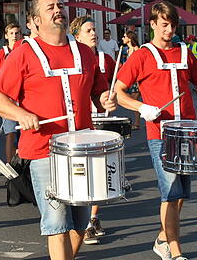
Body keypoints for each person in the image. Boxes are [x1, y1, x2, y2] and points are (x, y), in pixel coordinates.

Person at [0, 0, 116, 260]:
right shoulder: (23, 54)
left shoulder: (84, 52)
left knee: (80, 224)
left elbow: (98, 91)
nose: (58, 10)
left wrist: (105, 98)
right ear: (35, 19)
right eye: (50, 8)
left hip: (82, 149)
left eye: (60, 5)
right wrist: (20, 113)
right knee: (56, 224)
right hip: (43, 151)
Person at [114, 0, 197, 260]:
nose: (169, 30)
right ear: (153, 24)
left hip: (187, 131)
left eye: (173, 25)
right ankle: (175, 251)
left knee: (181, 194)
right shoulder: (142, 55)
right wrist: (141, 107)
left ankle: (161, 238)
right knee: (169, 193)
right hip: (161, 134)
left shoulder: (183, 52)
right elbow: (119, 92)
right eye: (164, 25)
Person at [70, 15, 116, 245]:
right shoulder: (71, 56)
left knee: (98, 173)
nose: (94, 34)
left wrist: (109, 97)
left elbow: (110, 84)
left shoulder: (105, 58)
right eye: (88, 31)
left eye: (94, 30)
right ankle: (80, 222)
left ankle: (92, 219)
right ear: (77, 36)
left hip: (101, 118)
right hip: (79, 122)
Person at [0, 22, 23, 162]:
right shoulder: (0, 54)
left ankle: (24, 163)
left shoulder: (25, 50)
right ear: (6, 35)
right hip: (8, 99)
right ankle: (10, 165)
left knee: (25, 133)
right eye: (11, 33)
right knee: (10, 133)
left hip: (23, 98)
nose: (14, 36)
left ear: (21, 35)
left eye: (17, 33)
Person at [121, 30, 142, 129]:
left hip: (136, 81)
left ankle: (137, 123)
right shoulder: (126, 50)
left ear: (129, 38)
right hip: (128, 80)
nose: (122, 38)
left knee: (134, 101)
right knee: (130, 100)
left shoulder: (137, 50)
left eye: (124, 36)